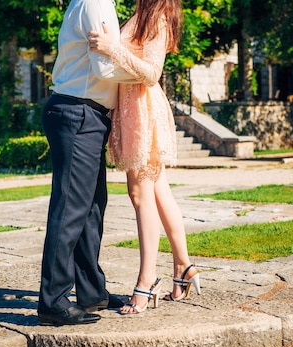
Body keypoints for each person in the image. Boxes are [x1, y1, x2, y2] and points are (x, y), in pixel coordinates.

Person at [88, 0, 200, 315]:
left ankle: (147, 280)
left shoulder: (158, 17)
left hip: (143, 111)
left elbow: (152, 74)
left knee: (140, 194)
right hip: (133, 109)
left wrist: (112, 47)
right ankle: (183, 266)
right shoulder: (143, 13)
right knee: (158, 192)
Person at [37, 0, 138, 326]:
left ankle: (92, 292)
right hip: (78, 112)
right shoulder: (95, 3)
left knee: (91, 207)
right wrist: (147, 72)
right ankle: (53, 301)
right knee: (70, 208)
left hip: (85, 113)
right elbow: (104, 68)